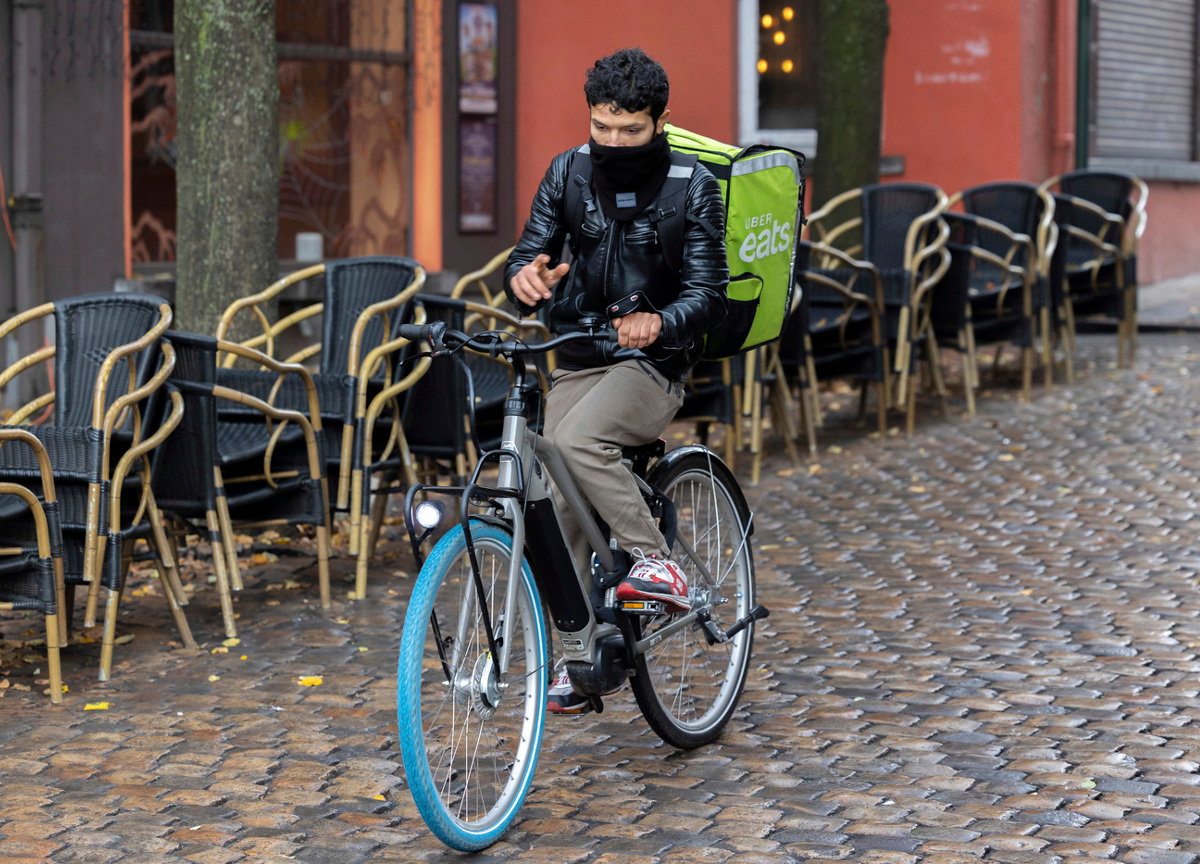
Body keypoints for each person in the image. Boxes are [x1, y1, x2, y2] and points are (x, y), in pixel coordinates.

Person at [504, 47, 729, 713]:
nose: (612, 141)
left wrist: (659, 324)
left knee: (578, 446)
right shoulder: (567, 173)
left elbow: (710, 296)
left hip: (655, 363)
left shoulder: (693, 186)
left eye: (629, 130)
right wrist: (526, 279)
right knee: (550, 485)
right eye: (601, 127)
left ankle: (654, 559)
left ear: (660, 122)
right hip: (579, 352)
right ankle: (585, 658)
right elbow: (529, 256)